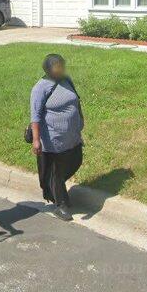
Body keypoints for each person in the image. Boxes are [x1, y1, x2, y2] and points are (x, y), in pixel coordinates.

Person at [30, 53, 84, 221]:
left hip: (72, 137)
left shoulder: (66, 80)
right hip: (53, 140)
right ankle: (61, 205)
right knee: (57, 172)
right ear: (48, 69)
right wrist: (36, 140)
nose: (59, 69)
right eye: (56, 67)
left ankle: (57, 189)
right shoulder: (40, 88)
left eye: (61, 65)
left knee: (76, 161)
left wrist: (80, 120)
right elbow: (35, 116)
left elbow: (76, 100)